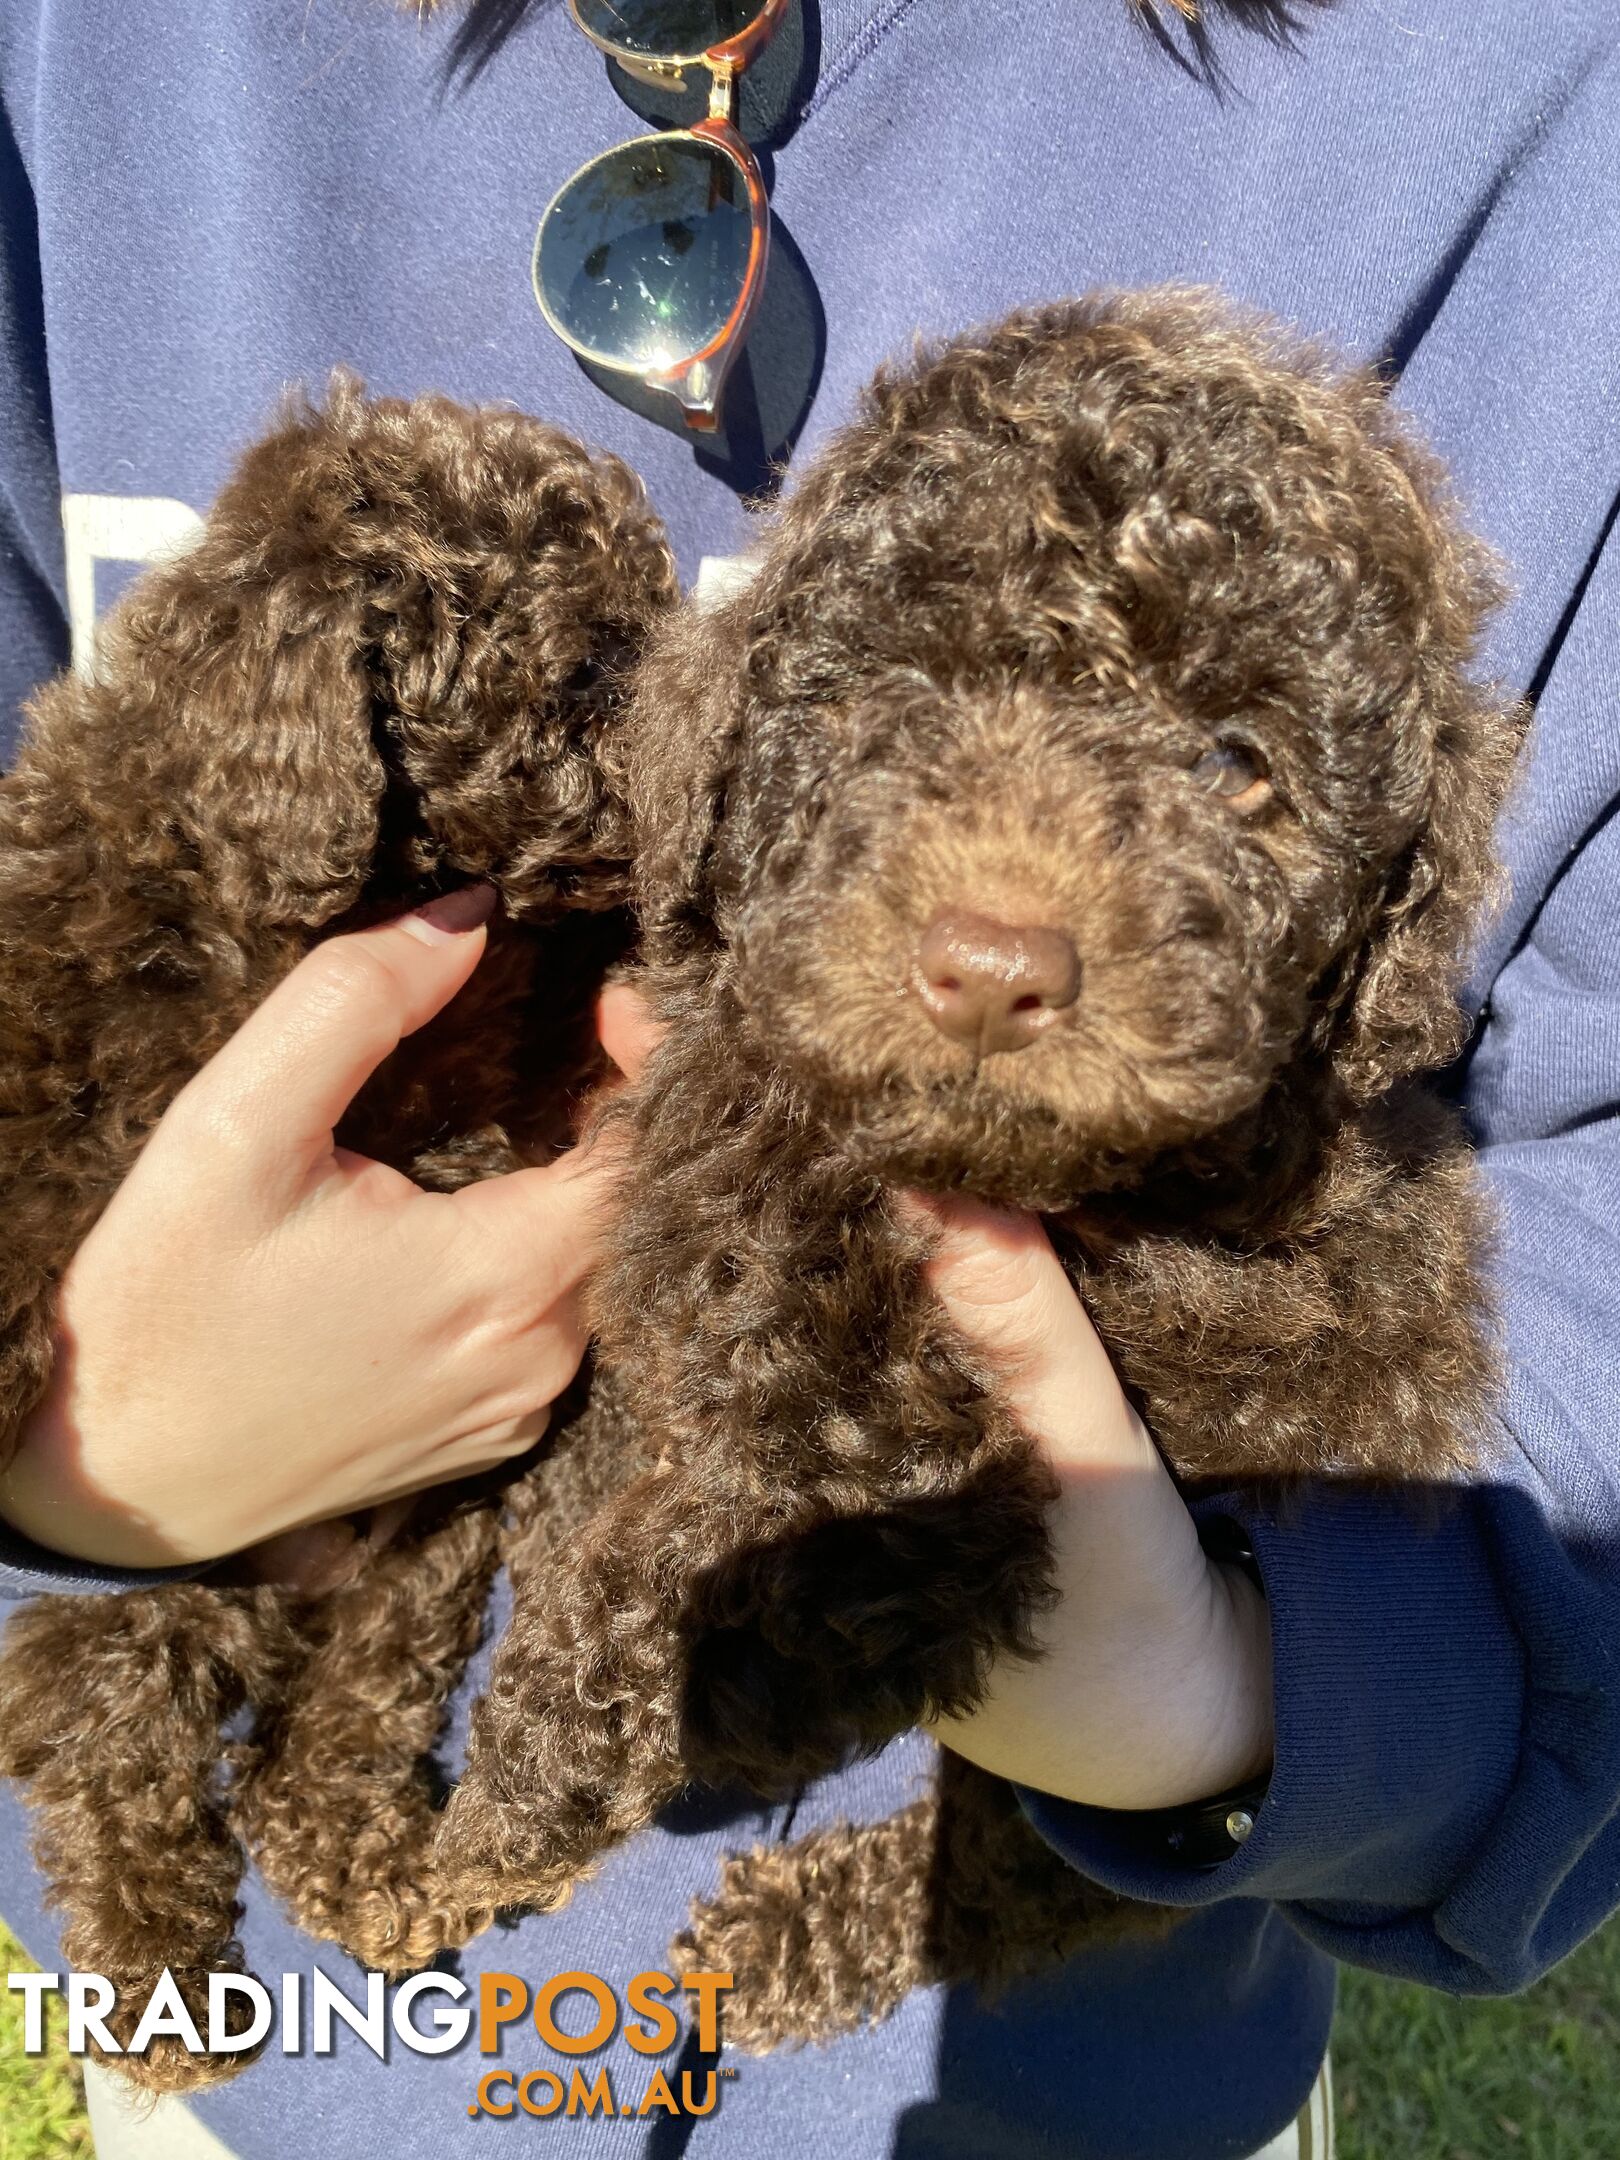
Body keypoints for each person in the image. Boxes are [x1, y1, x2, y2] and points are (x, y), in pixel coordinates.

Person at [0, 1, 1615, 2155]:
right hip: (273, 2065)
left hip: (1069, 2073)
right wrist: (60, 1456)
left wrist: (1237, 1691)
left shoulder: (1519, 86)